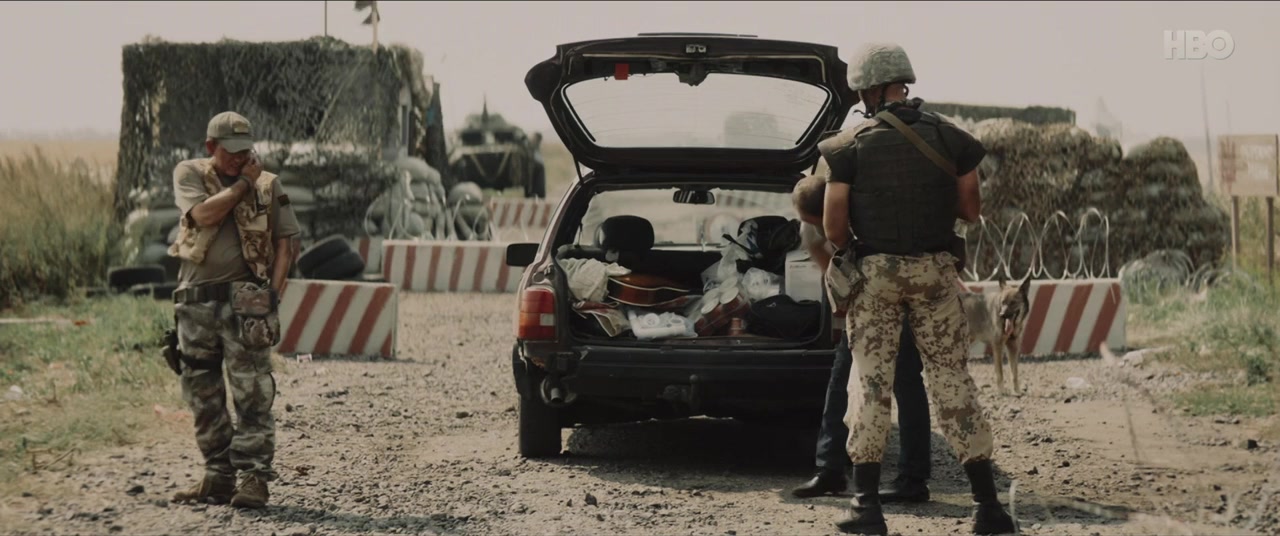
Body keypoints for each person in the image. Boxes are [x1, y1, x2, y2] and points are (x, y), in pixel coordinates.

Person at [820, 44, 1017, 535]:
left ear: (867, 90)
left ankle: (866, 509)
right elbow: (970, 209)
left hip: (877, 278)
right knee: (952, 382)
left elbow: (834, 228)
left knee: (870, 384)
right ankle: (988, 508)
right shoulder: (951, 137)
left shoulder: (847, 146)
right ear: (902, 83)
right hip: (936, 276)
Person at [168, 111, 300, 509]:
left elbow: (286, 244)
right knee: (202, 393)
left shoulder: (270, 185)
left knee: (253, 393)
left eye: (245, 152)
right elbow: (204, 214)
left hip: (247, 303)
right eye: (231, 152)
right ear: (211, 147)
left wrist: (272, 297)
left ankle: (254, 477)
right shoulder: (190, 174)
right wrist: (244, 184)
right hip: (195, 303)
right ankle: (218, 476)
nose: (240, 159)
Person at [789, 174, 934, 504]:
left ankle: (913, 479)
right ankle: (830, 469)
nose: (818, 227)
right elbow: (826, 261)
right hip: (862, 304)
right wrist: (847, 295)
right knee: (840, 380)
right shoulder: (811, 226)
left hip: (897, 297)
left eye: (820, 220)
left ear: (833, 207)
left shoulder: (873, 213)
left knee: (906, 382)